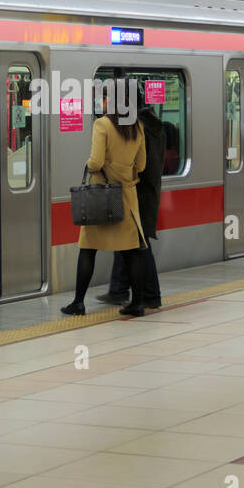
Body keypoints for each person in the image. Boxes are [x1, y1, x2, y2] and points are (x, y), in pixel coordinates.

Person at [61, 86, 149, 317]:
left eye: (105, 97)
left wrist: (88, 165)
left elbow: (96, 162)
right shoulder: (138, 125)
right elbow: (141, 166)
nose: (102, 101)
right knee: (132, 251)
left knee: (88, 249)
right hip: (126, 198)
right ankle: (137, 303)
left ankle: (78, 303)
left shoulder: (102, 125)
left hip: (101, 198)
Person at [96, 92, 165, 310]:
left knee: (138, 244)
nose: (102, 104)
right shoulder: (150, 123)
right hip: (143, 191)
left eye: (106, 99)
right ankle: (119, 289)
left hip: (139, 192)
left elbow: (141, 164)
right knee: (129, 242)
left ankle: (151, 295)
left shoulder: (139, 127)